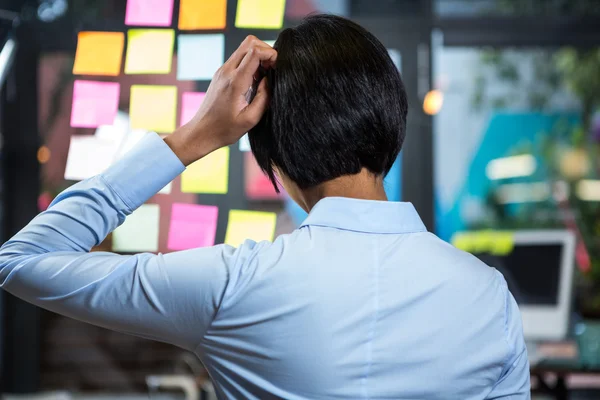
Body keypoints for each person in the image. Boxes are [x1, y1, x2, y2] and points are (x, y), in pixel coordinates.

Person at [0, 14, 529, 399]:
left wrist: (197, 135)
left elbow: (21, 259)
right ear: (393, 125)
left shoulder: (234, 284)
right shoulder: (488, 299)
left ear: (275, 164)